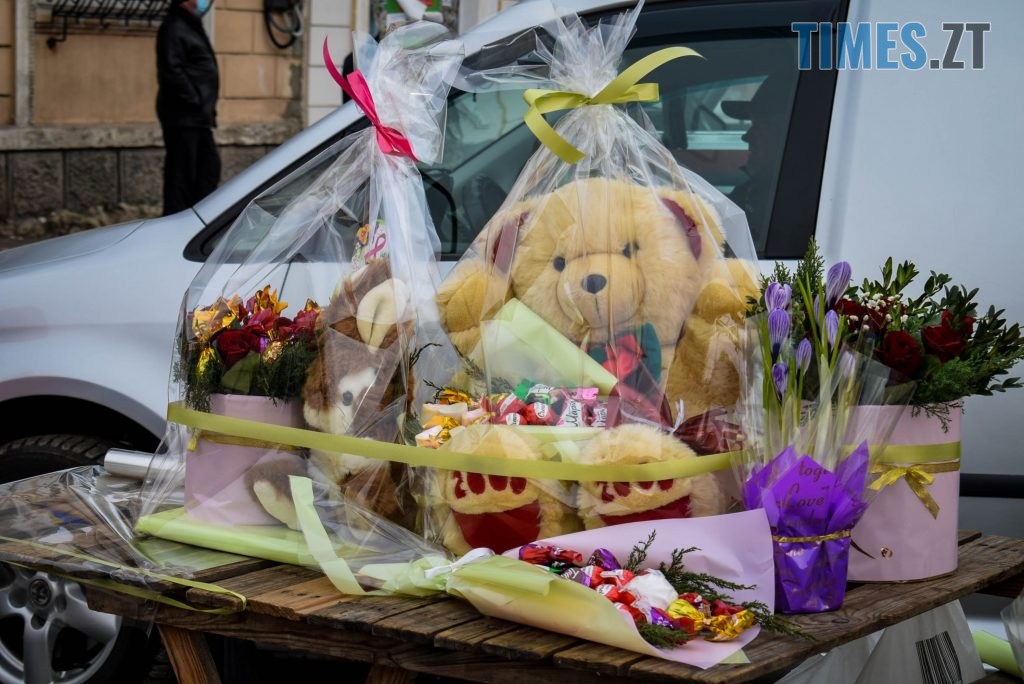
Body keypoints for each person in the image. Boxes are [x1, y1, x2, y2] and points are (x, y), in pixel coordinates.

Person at [156, 0, 221, 216]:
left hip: (198, 117)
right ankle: (176, 223)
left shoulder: (191, 24)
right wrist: (195, 100)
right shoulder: (174, 26)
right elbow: (171, 71)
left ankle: (200, 220)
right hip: (184, 116)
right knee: (182, 177)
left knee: (208, 170)